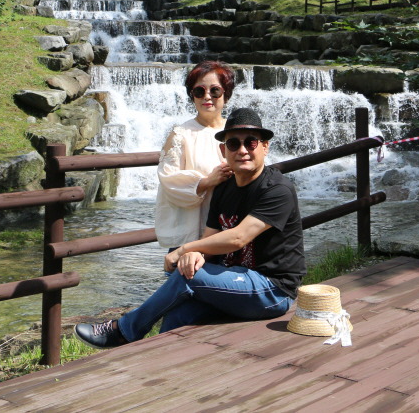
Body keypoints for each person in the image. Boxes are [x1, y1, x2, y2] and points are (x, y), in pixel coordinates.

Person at [75, 107, 306, 348]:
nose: (242, 150)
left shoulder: (277, 189)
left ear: (264, 147)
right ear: (223, 150)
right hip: (234, 280)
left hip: (272, 290)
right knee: (178, 316)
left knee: (188, 277)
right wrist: (196, 255)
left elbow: (238, 238)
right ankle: (153, 361)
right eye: (233, 144)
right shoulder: (223, 188)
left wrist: (184, 249)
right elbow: (210, 239)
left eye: (251, 142)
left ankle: (123, 331)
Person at [154, 61, 235, 250]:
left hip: (232, 235)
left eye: (215, 90)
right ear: (192, 96)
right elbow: (168, 181)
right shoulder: (180, 135)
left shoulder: (238, 132)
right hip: (192, 240)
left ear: (226, 94)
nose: (207, 96)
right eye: (199, 91)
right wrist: (207, 181)